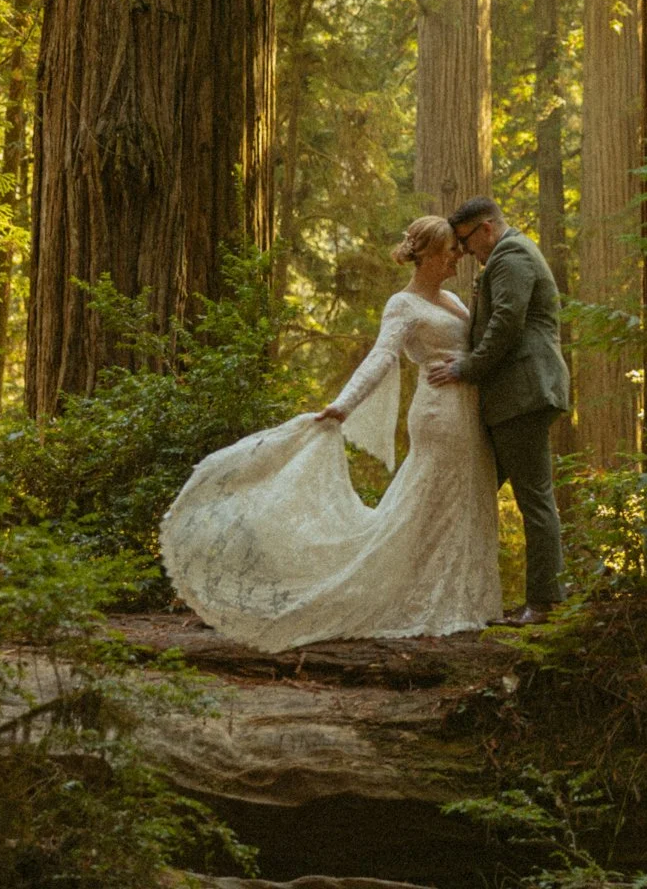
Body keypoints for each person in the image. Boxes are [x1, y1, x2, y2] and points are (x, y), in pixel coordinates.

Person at [159, 215, 502, 649]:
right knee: (434, 499)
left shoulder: (453, 299)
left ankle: (465, 600)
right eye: (452, 249)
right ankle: (427, 599)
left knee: (466, 496)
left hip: (469, 410)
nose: (459, 256)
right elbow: (381, 358)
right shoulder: (402, 304)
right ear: (431, 254)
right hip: (438, 414)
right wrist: (343, 405)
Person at [428, 195, 570, 625]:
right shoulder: (506, 257)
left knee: (534, 498)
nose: (467, 252)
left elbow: (506, 322)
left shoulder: (511, 256)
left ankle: (545, 602)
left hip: (523, 394)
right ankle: (452, 589)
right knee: (476, 486)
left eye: (468, 241)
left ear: (487, 228)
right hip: (513, 397)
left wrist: (466, 368)